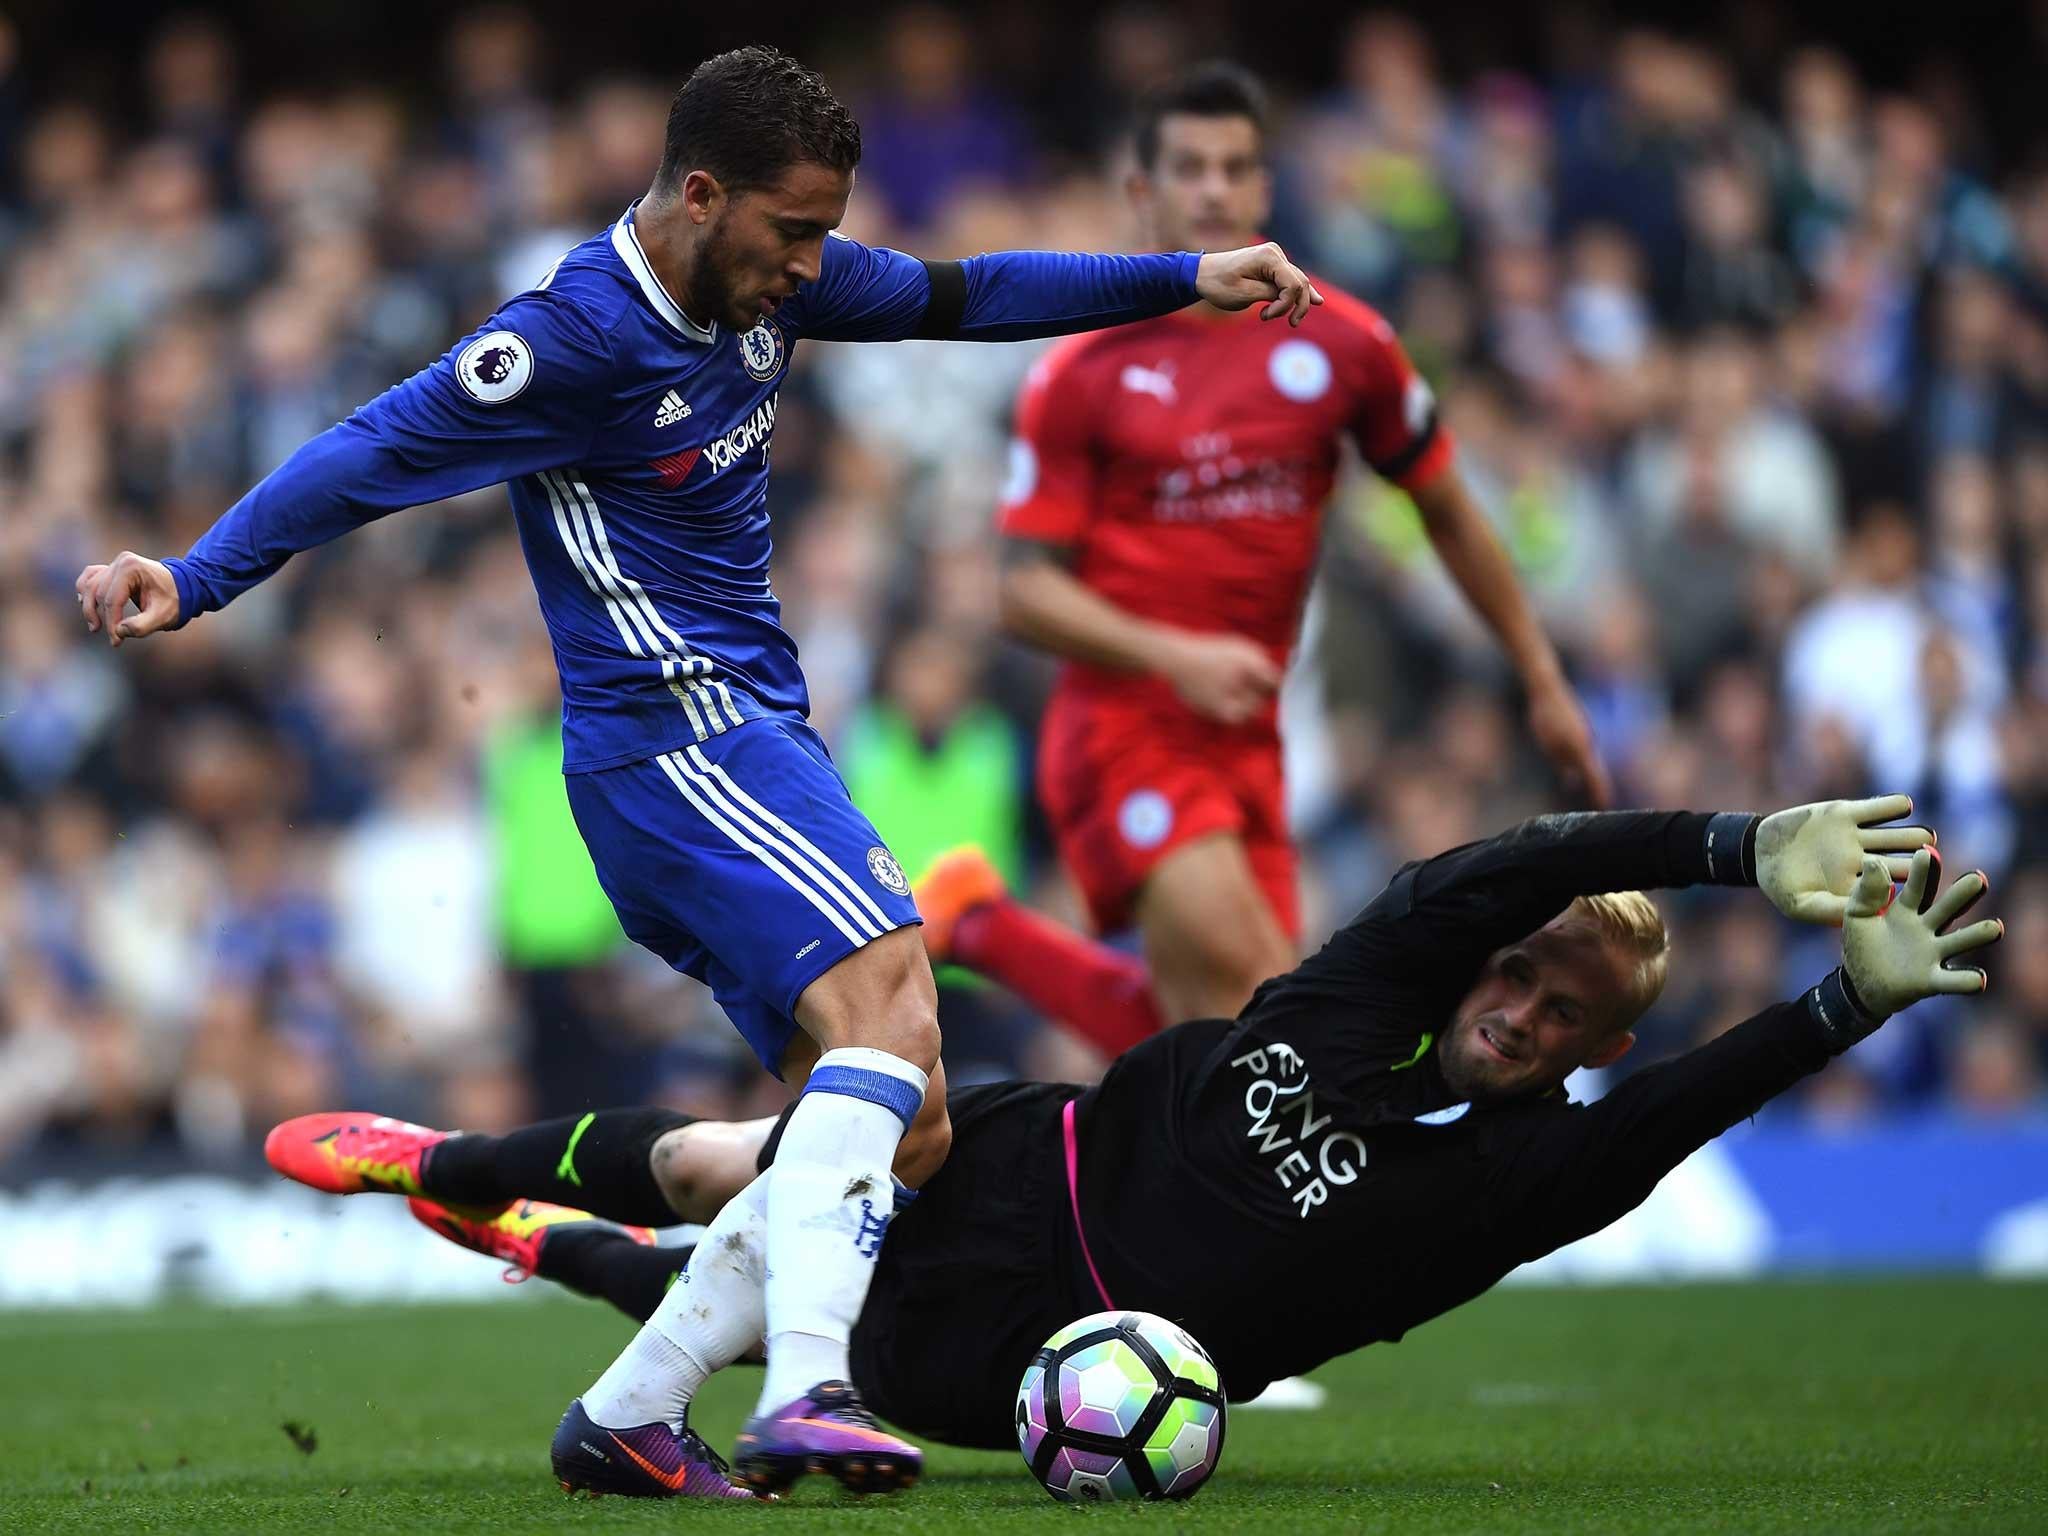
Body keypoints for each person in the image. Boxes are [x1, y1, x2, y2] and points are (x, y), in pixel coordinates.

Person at [74, 45, 1323, 1499]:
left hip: (752, 733)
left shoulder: (772, 277)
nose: (815, 262)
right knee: (892, 1001)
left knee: (898, 1121)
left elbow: (967, 295)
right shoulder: (574, 338)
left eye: (823, 233)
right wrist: (196, 573)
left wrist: (1182, 276)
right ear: (704, 194)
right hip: (674, 739)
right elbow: (369, 449)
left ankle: (628, 1408)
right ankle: (807, 1388)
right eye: (795, 232)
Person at [269, 796, 2000, 1490]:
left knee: (720, 1284)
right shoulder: (1364, 998)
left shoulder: (1513, 1178)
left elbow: (1675, 1119)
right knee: (736, 1163)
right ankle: (452, 1160)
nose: (1526, 1008)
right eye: (1523, 970)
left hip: (1022, 1353)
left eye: (1566, 1015)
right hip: (1023, 1153)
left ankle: (525, 1248)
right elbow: (1465, 878)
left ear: (1593, 1048)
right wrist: (1723, 842)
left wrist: (1837, 1009)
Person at [917, 63, 1607, 1063]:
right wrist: (1173, 654)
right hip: (1125, 730)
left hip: (1249, 741)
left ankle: (979, 923)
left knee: (1225, 1053)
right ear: (1140, 193)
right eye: (1187, 168)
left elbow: (1448, 511)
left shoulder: (1344, 345)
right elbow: (1019, 594)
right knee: (1274, 1029)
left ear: (1264, 190)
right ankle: (981, 924)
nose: (1211, 191)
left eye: (1233, 168)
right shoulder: (1081, 366)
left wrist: (1541, 680)